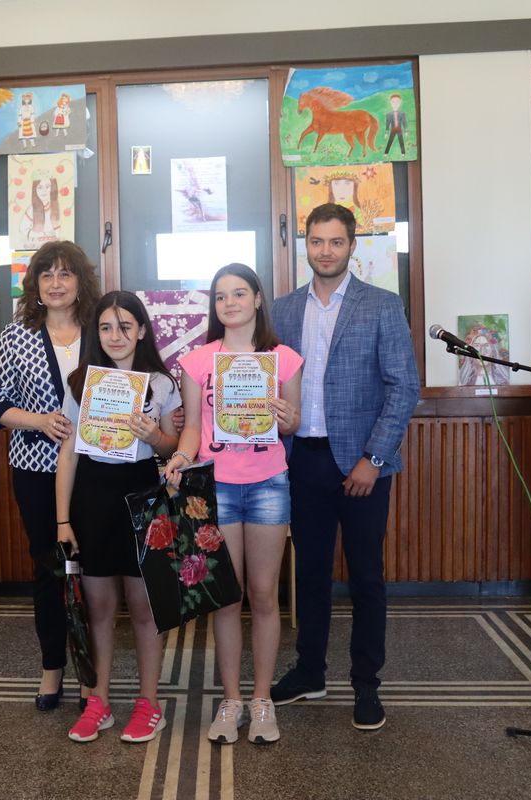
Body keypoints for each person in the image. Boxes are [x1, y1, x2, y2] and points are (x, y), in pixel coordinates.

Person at [269, 203, 419, 731]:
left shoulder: (381, 305)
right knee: (309, 574)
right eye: (317, 241)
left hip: (362, 467)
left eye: (336, 242)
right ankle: (310, 671)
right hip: (302, 461)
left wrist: (373, 459)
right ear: (305, 246)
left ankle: (366, 684)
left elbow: (404, 387)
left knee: (366, 578)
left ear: (352, 246)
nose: (326, 251)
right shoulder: (284, 310)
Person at [163, 264, 303, 745]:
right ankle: (231, 700)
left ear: (258, 299)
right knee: (226, 597)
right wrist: (181, 458)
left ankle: (262, 699)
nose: (230, 303)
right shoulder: (197, 362)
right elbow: (191, 429)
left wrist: (286, 417)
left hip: (268, 485)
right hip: (216, 488)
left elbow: (292, 424)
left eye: (239, 293)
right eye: (221, 296)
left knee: (263, 594)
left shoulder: (283, 359)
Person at [57, 291, 181, 744]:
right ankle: (99, 702)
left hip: (142, 496)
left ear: (142, 330)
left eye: (125, 326)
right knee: (99, 609)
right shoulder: (80, 383)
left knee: (145, 608)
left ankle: (149, 704)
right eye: (106, 327)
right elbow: (68, 454)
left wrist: (155, 437)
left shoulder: (162, 384)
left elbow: (174, 447)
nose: (115, 336)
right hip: (92, 499)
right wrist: (62, 520)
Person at [0, 240, 102, 711]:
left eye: (65, 274)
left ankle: (93, 674)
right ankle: (52, 666)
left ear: (81, 281)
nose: (55, 283)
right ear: (34, 284)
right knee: (49, 570)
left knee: (94, 572)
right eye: (46, 275)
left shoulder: (101, 329)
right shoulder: (17, 335)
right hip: (35, 470)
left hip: (96, 470)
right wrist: (39, 420)